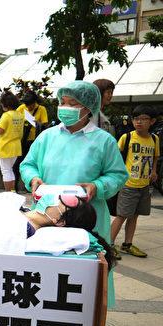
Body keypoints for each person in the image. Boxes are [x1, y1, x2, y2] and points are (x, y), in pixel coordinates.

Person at [20, 80, 128, 307]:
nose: (65, 108)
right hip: (49, 214)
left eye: (73, 103)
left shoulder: (103, 141)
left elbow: (117, 174)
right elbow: (28, 164)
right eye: (62, 102)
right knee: (47, 270)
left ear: (88, 108)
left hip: (88, 216)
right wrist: (33, 178)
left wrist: (97, 186)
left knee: (89, 272)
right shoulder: (47, 137)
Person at [110, 105, 159, 259]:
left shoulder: (154, 139)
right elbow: (116, 158)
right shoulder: (127, 137)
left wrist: (154, 171)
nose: (138, 122)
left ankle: (127, 244)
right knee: (121, 215)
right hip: (128, 184)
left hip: (144, 185)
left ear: (152, 121)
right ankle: (109, 245)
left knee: (135, 215)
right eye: (136, 119)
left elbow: (155, 156)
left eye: (143, 119)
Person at [0, 91, 24, 192]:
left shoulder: (6, 115)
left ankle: (8, 192)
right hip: (16, 146)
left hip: (6, 146)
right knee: (10, 169)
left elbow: (0, 130)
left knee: (6, 170)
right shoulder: (20, 115)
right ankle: (12, 191)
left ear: (5, 104)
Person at [14, 91, 48, 191]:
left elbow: (45, 124)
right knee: (19, 163)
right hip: (23, 140)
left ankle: (32, 185)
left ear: (34, 102)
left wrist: (34, 122)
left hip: (35, 140)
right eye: (26, 105)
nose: (28, 107)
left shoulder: (41, 109)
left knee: (34, 163)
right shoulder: (21, 108)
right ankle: (16, 185)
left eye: (30, 105)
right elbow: (14, 120)